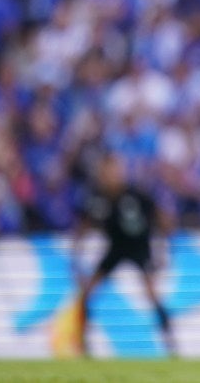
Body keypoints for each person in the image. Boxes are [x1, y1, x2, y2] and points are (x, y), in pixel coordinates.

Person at [72, 151, 176, 357]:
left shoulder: (136, 195)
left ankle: (170, 342)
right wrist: (76, 258)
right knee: (87, 293)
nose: (111, 175)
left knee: (152, 294)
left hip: (139, 247)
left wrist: (164, 249)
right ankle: (82, 342)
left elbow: (163, 219)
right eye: (107, 171)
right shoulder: (97, 198)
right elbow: (83, 228)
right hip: (115, 247)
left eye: (115, 170)